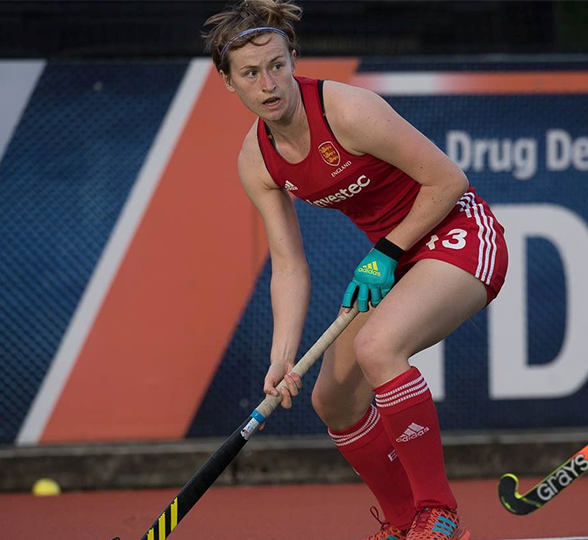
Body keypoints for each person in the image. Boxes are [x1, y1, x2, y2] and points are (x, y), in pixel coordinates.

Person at [203, 2, 507, 539]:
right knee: (333, 400)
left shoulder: (348, 110)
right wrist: (282, 356)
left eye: (277, 65)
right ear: (228, 82)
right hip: (399, 259)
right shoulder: (257, 160)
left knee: (377, 347)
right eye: (250, 73)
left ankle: (439, 515)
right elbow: (289, 265)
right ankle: (401, 524)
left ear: (293, 57)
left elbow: (448, 181)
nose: (269, 83)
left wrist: (386, 253)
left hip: (461, 236)